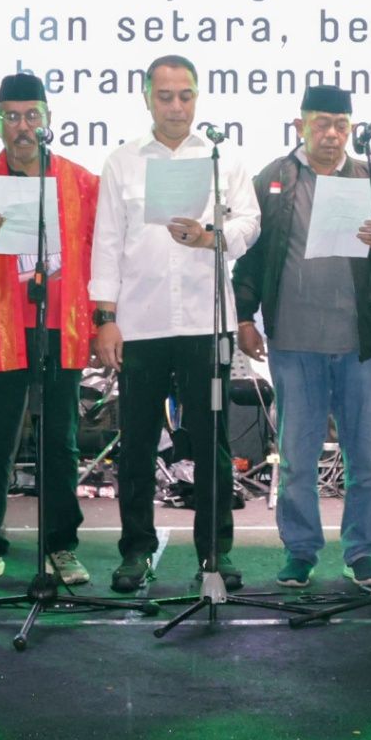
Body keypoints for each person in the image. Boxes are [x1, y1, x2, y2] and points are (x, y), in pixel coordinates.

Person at [90, 55, 261, 594]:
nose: (176, 106)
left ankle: (215, 552)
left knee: (211, 444)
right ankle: (136, 550)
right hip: (140, 323)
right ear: (147, 98)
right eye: (164, 96)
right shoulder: (122, 161)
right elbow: (106, 244)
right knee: (138, 444)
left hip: (206, 322)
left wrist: (213, 237)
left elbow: (250, 221)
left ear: (197, 97)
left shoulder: (221, 159)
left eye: (185, 95)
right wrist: (105, 318)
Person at [235, 85, 371, 591]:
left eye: (341, 125)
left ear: (352, 128)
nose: (331, 134)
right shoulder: (276, 179)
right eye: (321, 123)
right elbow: (252, 255)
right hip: (295, 340)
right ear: (300, 125)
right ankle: (300, 551)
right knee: (297, 460)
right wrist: (243, 316)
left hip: (358, 343)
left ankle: (362, 551)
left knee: (365, 460)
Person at [0, 74, 100, 589]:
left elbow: (96, 256)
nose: (22, 126)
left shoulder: (81, 182)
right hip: (3, 325)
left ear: (48, 119)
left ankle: (61, 544)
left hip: (63, 323)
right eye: (12, 117)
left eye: (32, 115)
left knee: (61, 441)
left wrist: (101, 320)